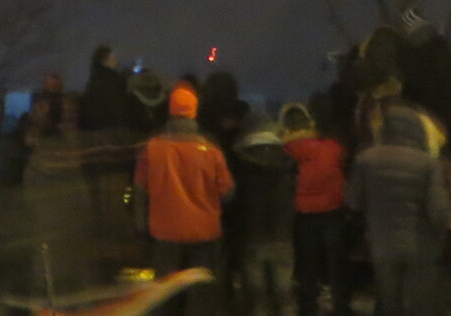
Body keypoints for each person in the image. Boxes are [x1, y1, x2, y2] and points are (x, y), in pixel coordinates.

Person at [134, 84, 234, 316]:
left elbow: (139, 191)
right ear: (194, 112)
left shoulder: (152, 148)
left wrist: (141, 227)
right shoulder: (211, 150)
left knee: (166, 297)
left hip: (165, 234)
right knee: (200, 300)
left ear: (170, 111)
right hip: (204, 234)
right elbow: (227, 192)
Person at [347, 101, 449, 316]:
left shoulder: (366, 159)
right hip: (421, 245)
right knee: (420, 303)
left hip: (382, 244)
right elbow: (438, 210)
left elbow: (353, 201)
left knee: (389, 302)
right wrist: (441, 234)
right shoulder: (427, 163)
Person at [278, 101, 348, 316]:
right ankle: (340, 307)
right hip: (333, 212)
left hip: (303, 215)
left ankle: (308, 308)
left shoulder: (285, 151)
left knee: (307, 267)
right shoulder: (332, 147)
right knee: (336, 267)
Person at [228, 113, 296, 316]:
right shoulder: (288, 164)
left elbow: (232, 200)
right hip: (283, 235)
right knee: (285, 295)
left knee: (257, 298)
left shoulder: (240, 166)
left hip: (252, 236)